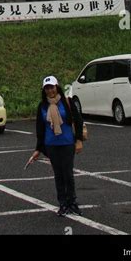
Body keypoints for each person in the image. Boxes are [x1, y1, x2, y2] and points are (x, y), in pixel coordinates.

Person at [28, 75, 84, 217]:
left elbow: (78, 121)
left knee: (68, 174)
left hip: (67, 142)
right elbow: (40, 129)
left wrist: (78, 140)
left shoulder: (67, 102)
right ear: (44, 90)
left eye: (52, 87)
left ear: (57, 87)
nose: (50, 91)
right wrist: (38, 149)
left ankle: (72, 202)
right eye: (47, 88)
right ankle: (63, 203)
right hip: (51, 144)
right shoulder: (42, 106)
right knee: (58, 174)